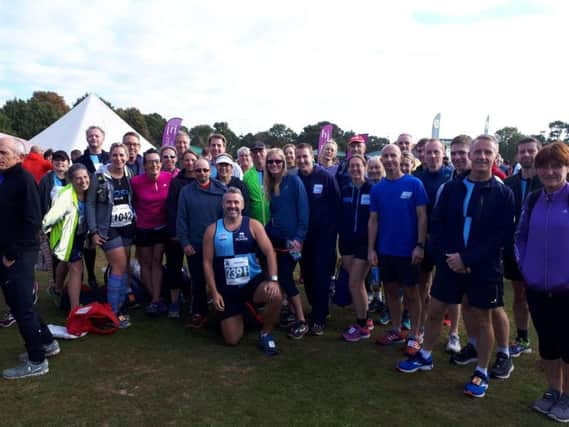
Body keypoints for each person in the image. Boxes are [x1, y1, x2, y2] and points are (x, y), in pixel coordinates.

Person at [397, 135, 515, 399]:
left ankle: (481, 371)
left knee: (482, 319)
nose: (482, 157)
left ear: (495, 157)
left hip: (483, 267)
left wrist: (468, 259)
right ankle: (425, 355)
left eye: (488, 153)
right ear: (469, 155)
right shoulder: (453, 188)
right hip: (450, 262)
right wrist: (450, 256)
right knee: (436, 310)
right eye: (478, 152)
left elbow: (501, 236)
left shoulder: (502, 192)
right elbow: (438, 224)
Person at [515, 141, 569, 421]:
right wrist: (526, 266)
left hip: (566, 290)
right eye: (544, 166)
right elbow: (520, 236)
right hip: (537, 288)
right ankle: (553, 391)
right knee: (547, 344)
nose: (549, 171)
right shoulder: (533, 199)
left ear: (566, 168)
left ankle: (568, 399)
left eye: (556, 166)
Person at [0, 136, 58, 380]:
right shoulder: (7, 178)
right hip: (9, 250)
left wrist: (12, 254)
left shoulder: (23, 179)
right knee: (20, 302)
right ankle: (47, 342)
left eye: (3, 152)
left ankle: (37, 360)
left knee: (21, 306)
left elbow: (33, 220)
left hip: (19, 253)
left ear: (19, 156)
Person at [203, 188, 282, 355]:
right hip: (228, 289)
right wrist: (215, 292)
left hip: (252, 283)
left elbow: (269, 252)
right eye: (229, 202)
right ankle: (245, 313)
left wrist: (273, 280)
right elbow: (207, 262)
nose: (232, 206)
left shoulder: (253, 225)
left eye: (236, 202)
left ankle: (265, 333)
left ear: (243, 205)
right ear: (223, 204)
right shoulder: (212, 230)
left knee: (276, 295)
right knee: (232, 340)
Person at [368, 144, 427, 352]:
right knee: (391, 291)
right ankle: (395, 329)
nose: (390, 159)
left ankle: (415, 334)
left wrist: (420, 245)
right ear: (381, 160)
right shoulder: (377, 189)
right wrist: (371, 249)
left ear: (400, 158)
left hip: (408, 250)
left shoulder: (414, 184)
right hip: (385, 250)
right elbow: (373, 220)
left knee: (412, 293)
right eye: (386, 156)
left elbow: (422, 216)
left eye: (393, 155)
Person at [414, 139, 456, 353]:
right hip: (425, 239)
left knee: (452, 289)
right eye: (428, 153)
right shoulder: (417, 177)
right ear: (423, 155)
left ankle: (454, 334)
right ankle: (420, 328)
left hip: (447, 241)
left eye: (436, 152)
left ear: (443, 153)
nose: (431, 156)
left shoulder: (452, 176)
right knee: (423, 285)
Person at [502, 137, 542, 359]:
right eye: (522, 152)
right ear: (517, 155)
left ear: (539, 152)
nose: (526, 155)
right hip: (514, 251)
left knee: (544, 298)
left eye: (530, 151)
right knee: (519, 296)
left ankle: (550, 344)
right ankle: (523, 338)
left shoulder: (548, 182)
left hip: (542, 251)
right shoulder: (508, 184)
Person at [263, 148, 309, 339]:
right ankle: (290, 312)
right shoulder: (272, 184)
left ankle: (301, 320)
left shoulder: (294, 181)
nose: (274, 165)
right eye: (271, 162)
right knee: (280, 276)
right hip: (277, 241)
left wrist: (299, 238)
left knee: (285, 277)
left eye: (278, 162)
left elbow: (304, 212)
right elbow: (275, 215)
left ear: (284, 163)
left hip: (292, 242)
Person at [87, 143, 134, 327]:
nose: (118, 159)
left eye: (122, 155)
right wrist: (93, 230)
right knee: (119, 266)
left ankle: (120, 306)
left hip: (128, 225)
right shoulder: (99, 176)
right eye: (115, 155)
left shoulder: (129, 173)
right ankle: (113, 311)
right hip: (108, 227)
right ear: (110, 156)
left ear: (127, 156)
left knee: (124, 267)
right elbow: (90, 203)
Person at [296, 143, 341, 335]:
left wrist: (332, 232)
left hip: (324, 237)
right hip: (303, 237)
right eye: (299, 157)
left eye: (305, 156)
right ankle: (318, 309)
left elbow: (337, 204)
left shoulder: (326, 177)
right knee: (307, 275)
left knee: (321, 275)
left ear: (311, 156)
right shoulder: (295, 179)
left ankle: (319, 318)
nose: (302, 160)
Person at [177, 158, 226, 327]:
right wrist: (185, 243)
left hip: (219, 243)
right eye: (198, 170)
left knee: (221, 278)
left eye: (205, 170)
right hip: (195, 244)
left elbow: (228, 216)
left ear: (210, 170)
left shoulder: (221, 189)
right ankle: (199, 311)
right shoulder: (186, 191)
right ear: (193, 171)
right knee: (198, 281)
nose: (202, 173)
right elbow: (181, 218)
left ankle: (224, 310)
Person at [42, 163, 90, 310]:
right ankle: (75, 309)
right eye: (78, 178)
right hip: (65, 237)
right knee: (76, 269)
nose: (83, 181)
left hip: (79, 234)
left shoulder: (89, 191)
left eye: (85, 177)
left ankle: (56, 289)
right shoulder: (65, 196)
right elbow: (50, 218)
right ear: (71, 180)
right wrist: (43, 232)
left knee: (65, 262)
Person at [131, 149, 173, 315]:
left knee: (157, 262)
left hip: (161, 227)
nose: (154, 164)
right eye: (150, 161)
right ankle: (154, 298)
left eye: (157, 161)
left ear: (160, 164)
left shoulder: (168, 178)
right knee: (145, 264)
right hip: (143, 228)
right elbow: (132, 202)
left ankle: (157, 298)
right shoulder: (135, 181)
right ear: (145, 165)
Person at [339, 155, 374, 342]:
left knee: (354, 282)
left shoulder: (372, 189)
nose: (354, 169)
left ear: (364, 167)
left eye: (358, 166)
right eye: (351, 166)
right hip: (346, 243)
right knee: (357, 283)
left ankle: (361, 326)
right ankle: (366, 319)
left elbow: (376, 219)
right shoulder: (345, 189)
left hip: (364, 243)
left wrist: (372, 246)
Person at [165, 149, 198, 318]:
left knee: (196, 269)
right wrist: (174, 232)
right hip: (178, 233)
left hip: (196, 234)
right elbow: (171, 209)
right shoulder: (176, 182)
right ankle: (174, 302)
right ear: (182, 162)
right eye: (187, 160)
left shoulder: (202, 180)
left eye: (193, 160)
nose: (190, 163)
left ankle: (195, 300)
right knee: (174, 267)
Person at [76, 126, 110, 288]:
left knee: (110, 242)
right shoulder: (81, 161)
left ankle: (112, 274)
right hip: (88, 205)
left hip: (107, 207)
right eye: (90, 136)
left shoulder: (110, 157)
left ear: (102, 138)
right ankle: (91, 276)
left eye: (96, 136)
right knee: (89, 242)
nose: (93, 138)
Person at [38, 150, 70, 291]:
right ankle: (56, 284)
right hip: (54, 224)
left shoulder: (72, 177)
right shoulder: (46, 180)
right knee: (56, 255)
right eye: (57, 160)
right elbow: (40, 202)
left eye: (63, 160)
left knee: (71, 256)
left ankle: (70, 285)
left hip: (70, 222)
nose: (60, 163)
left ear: (68, 163)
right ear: (52, 163)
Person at [243, 141, 270, 225]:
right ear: (251, 155)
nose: (258, 154)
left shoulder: (273, 171)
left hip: (274, 223)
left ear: (266, 152)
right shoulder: (247, 175)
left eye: (260, 151)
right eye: (255, 152)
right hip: (255, 224)